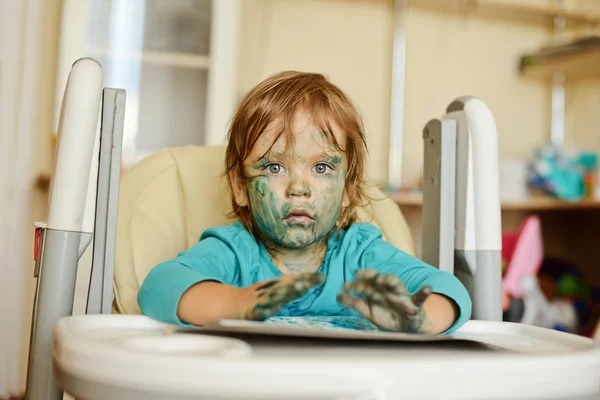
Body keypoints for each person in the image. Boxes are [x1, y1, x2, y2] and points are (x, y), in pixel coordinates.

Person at [138, 71, 471, 335]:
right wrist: (236, 302)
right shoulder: (235, 253)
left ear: (347, 190)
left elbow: (448, 291)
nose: (299, 187)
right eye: (274, 167)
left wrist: (416, 318)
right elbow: (159, 286)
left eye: (321, 168)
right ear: (240, 187)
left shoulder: (361, 254)